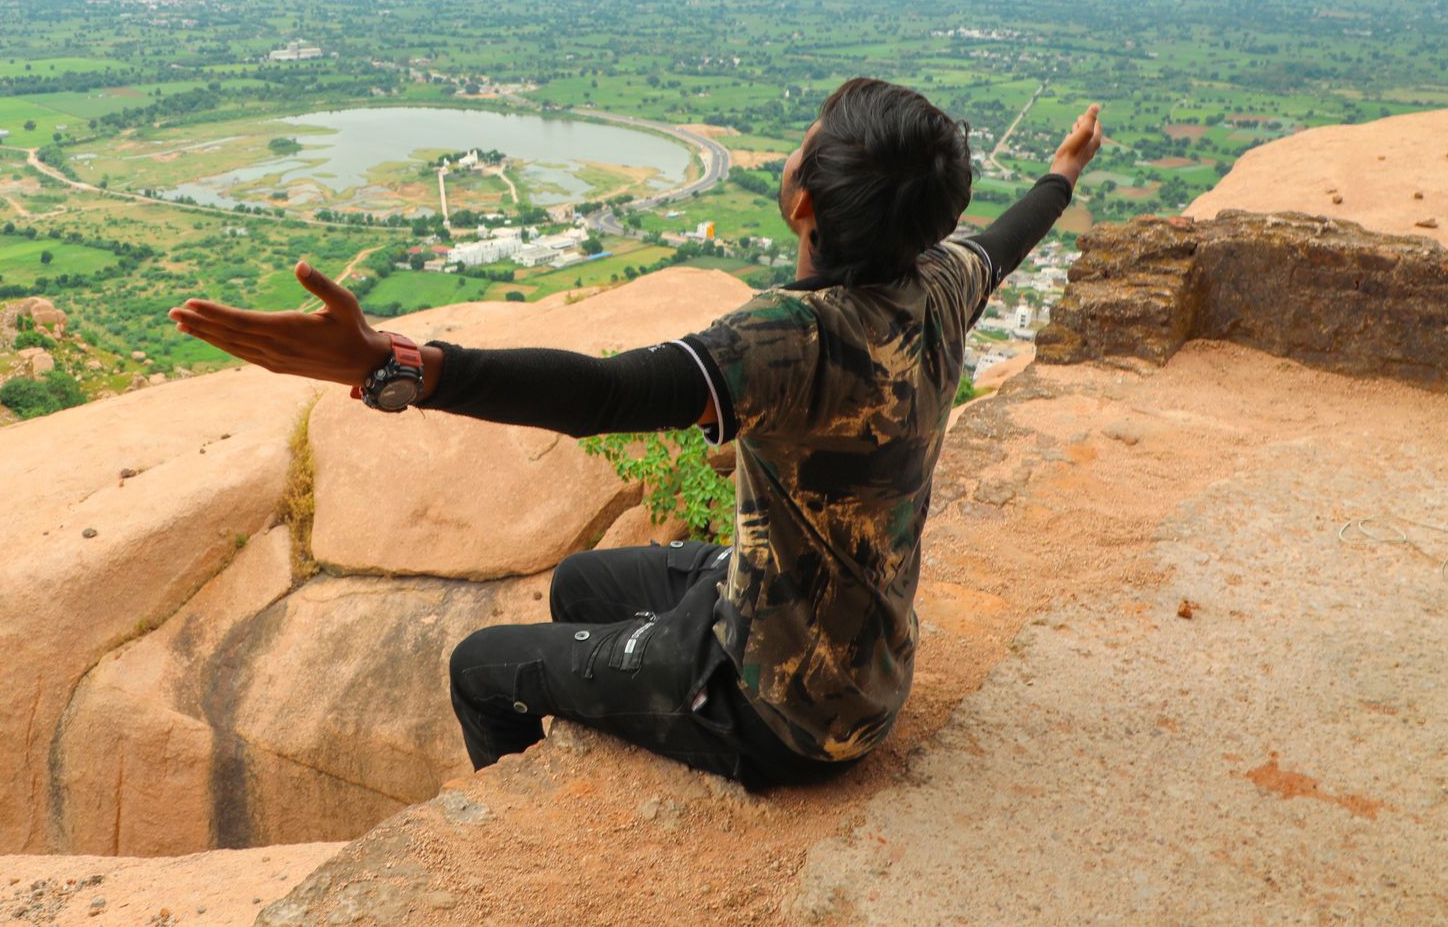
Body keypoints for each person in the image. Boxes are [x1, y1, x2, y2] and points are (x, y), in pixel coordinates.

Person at [170, 78, 1103, 789]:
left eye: (808, 143)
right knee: (580, 582)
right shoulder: (937, 286)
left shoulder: (793, 337)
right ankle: (636, 694)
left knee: (479, 669)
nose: (797, 148)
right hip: (862, 661)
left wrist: (411, 366)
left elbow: (609, 393)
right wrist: (1062, 174)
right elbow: (1007, 238)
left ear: (805, 202)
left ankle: (516, 838)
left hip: (785, 709)